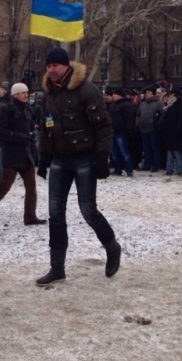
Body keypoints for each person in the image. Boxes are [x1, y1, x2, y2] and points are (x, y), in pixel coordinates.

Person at [36, 47, 121, 285]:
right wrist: (43, 159)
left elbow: (104, 127)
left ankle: (112, 247)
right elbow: (45, 128)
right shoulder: (48, 94)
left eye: (55, 65)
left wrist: (102, 158)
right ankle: (57, 267)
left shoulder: (86, 90)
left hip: (85, 158)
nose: (51, 70)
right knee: (55, 214)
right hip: (60, 160)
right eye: (48, 66)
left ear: (67, 66)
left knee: (88, 211)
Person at [0, 83, 46, 226]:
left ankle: (30, 216)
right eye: (22, 93)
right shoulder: (6, 109)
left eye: (26, 92)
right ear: (15, 95)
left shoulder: (26, 109)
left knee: (31, 187)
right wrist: (21, 137)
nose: (26, 95)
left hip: (26, 153)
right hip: (12, 155)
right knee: (5, 186)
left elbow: (29, 126)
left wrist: (31, 135)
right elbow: (0, 131)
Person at [135, 86, 163, 172]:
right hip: (143, 128)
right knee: (146, 148)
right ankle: (147, 164)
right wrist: (138, 123)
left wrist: (158, 124)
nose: (146, 94)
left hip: (153, 129)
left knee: (155, 148)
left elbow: (162, 115)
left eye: (148, 93)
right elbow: (138, 115)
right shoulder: (142, 103)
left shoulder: (158, 103)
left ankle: (155, 164)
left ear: (153, 94)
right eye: (146, 93)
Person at [108, 88, 135, 177]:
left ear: (119, 95)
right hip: (113, 131)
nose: (113, 96)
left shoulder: (126, 105)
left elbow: (129, 118)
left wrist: (128, 130)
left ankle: (129, 170)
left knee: (124, 151)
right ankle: (117, 169)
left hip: (121, 131)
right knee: (114, 152)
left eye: (114, 94)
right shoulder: (113, 105)